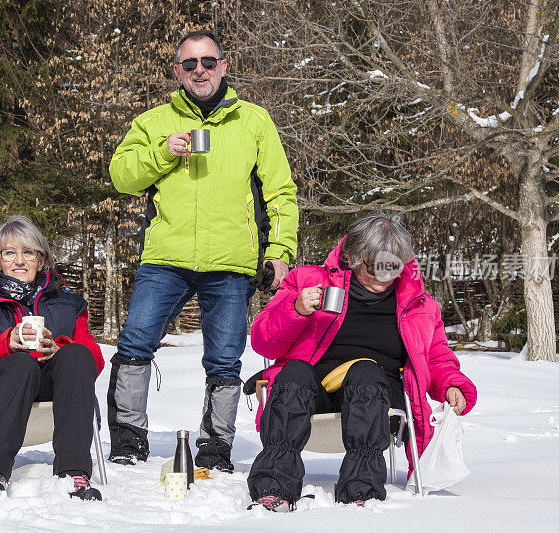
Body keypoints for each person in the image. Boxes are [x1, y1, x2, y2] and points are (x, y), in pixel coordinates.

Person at [107, 29, 298, 472]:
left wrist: (279, 251)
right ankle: (128, 441)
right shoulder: (155, 122)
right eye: (190, 64)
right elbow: (122, 176)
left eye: (208, 62)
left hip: (230, 261)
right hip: (165, 258)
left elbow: (281, 192)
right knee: (135, 343)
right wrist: (162, 153)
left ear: (223, 67)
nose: (200, 71)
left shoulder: (253, 121)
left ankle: (215, 449)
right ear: (177, 71)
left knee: (225, 360)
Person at [246, 213, 477, 511]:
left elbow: (435, 357)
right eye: (375, 265)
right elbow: (263, 341)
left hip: (378, 395)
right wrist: (295, 309)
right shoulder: (307, 282)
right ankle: (274, 488)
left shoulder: (419, 305)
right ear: (353, 257)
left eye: (393, 266)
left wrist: (450, 384)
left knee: (365, 372)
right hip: (313, 393)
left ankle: (361, 489)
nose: (384, 275)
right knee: (294, 372)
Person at [0, 215, 105, 499]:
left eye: (29, 252)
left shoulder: (67, 304)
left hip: (45, 381)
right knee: (22, 362)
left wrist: (59, 350)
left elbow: (93, 360)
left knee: (77, 355)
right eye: (10, 253)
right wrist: (5, 343)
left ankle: (73, 473)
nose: (20, 261)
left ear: (42, 260)